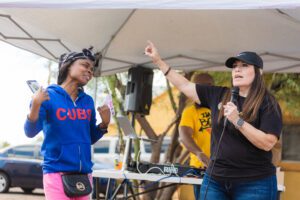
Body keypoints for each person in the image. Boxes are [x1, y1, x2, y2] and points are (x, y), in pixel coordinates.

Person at [145, 41, 282, 200]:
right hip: (215, 180)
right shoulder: (219, 94)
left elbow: (267, 143)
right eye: (235, 66)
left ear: (258, 72)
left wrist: (238, 121)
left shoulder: (268, 103)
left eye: (244, 65)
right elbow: (185, 86)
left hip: (254, 182)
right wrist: (159, 62)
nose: (237, 69)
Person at [24, 48, 111, 200]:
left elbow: (89, 138)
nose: (89, 71)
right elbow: (29, 132)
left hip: (84, 174)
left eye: (91, 69)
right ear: (68, 66)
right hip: (56, 172)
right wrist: (36, 105)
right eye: (85, 65)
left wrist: (104, 124)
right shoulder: (47, 96)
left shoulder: (88, 101)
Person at [179, 73, 214, 200]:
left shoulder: (223, 108)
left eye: (202, 88)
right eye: (195, 88)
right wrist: (199, 153)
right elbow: (184, 135)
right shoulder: (190, 111)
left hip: (224, 168)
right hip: (201, 169)